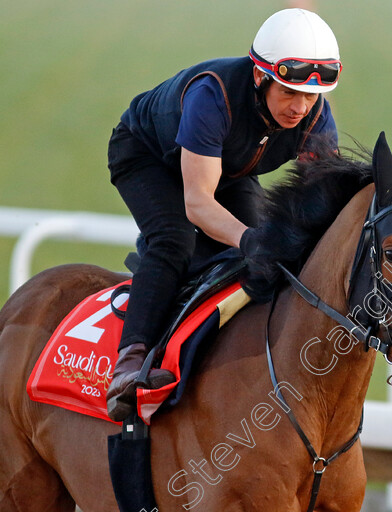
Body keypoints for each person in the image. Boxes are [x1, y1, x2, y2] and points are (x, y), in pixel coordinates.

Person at [105, 8, 342, 422]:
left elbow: (323, 205)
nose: (300, 107)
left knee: (258, 256)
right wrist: (251, 239)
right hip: (148, 157)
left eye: (310, 96)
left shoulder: (316, 119)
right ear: (259, 76)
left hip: (228, 168)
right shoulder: (212, 96)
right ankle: (130, 360)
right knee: (175, 238)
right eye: (288, 92)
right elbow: (198, 203)